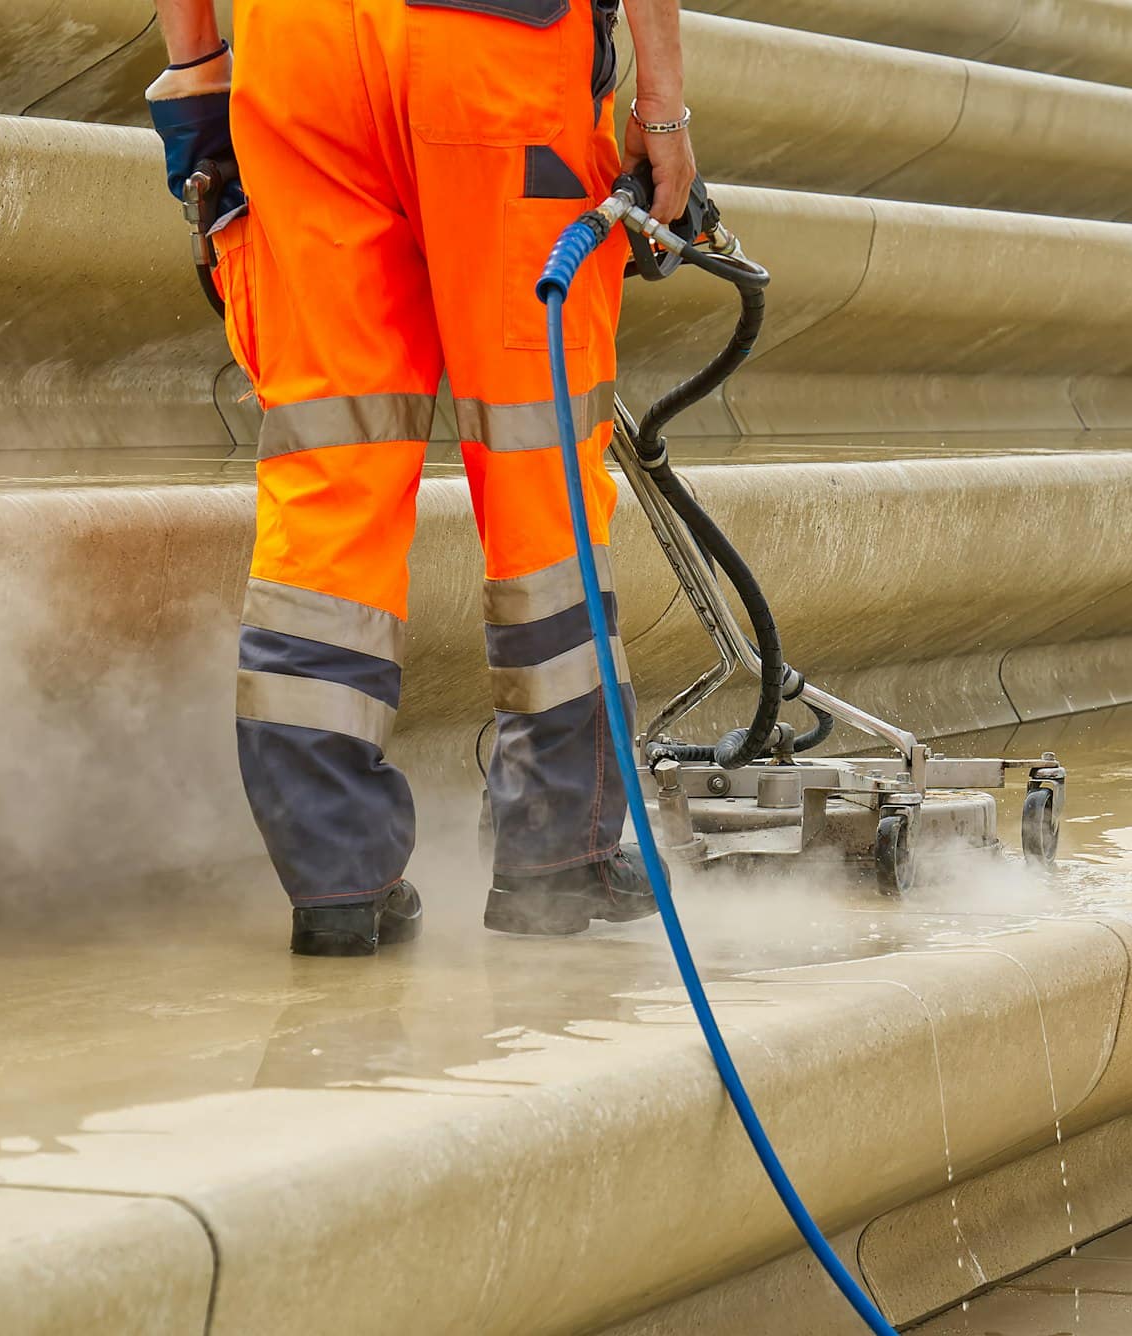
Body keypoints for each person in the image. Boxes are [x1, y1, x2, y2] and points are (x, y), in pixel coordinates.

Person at [146, 0, 697, 956]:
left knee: (331, 462)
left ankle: (336, 876)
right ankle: (556, 855)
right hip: (492, 53)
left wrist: (199, 75)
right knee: (537, 461)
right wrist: (661, 115)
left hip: (300, 56)